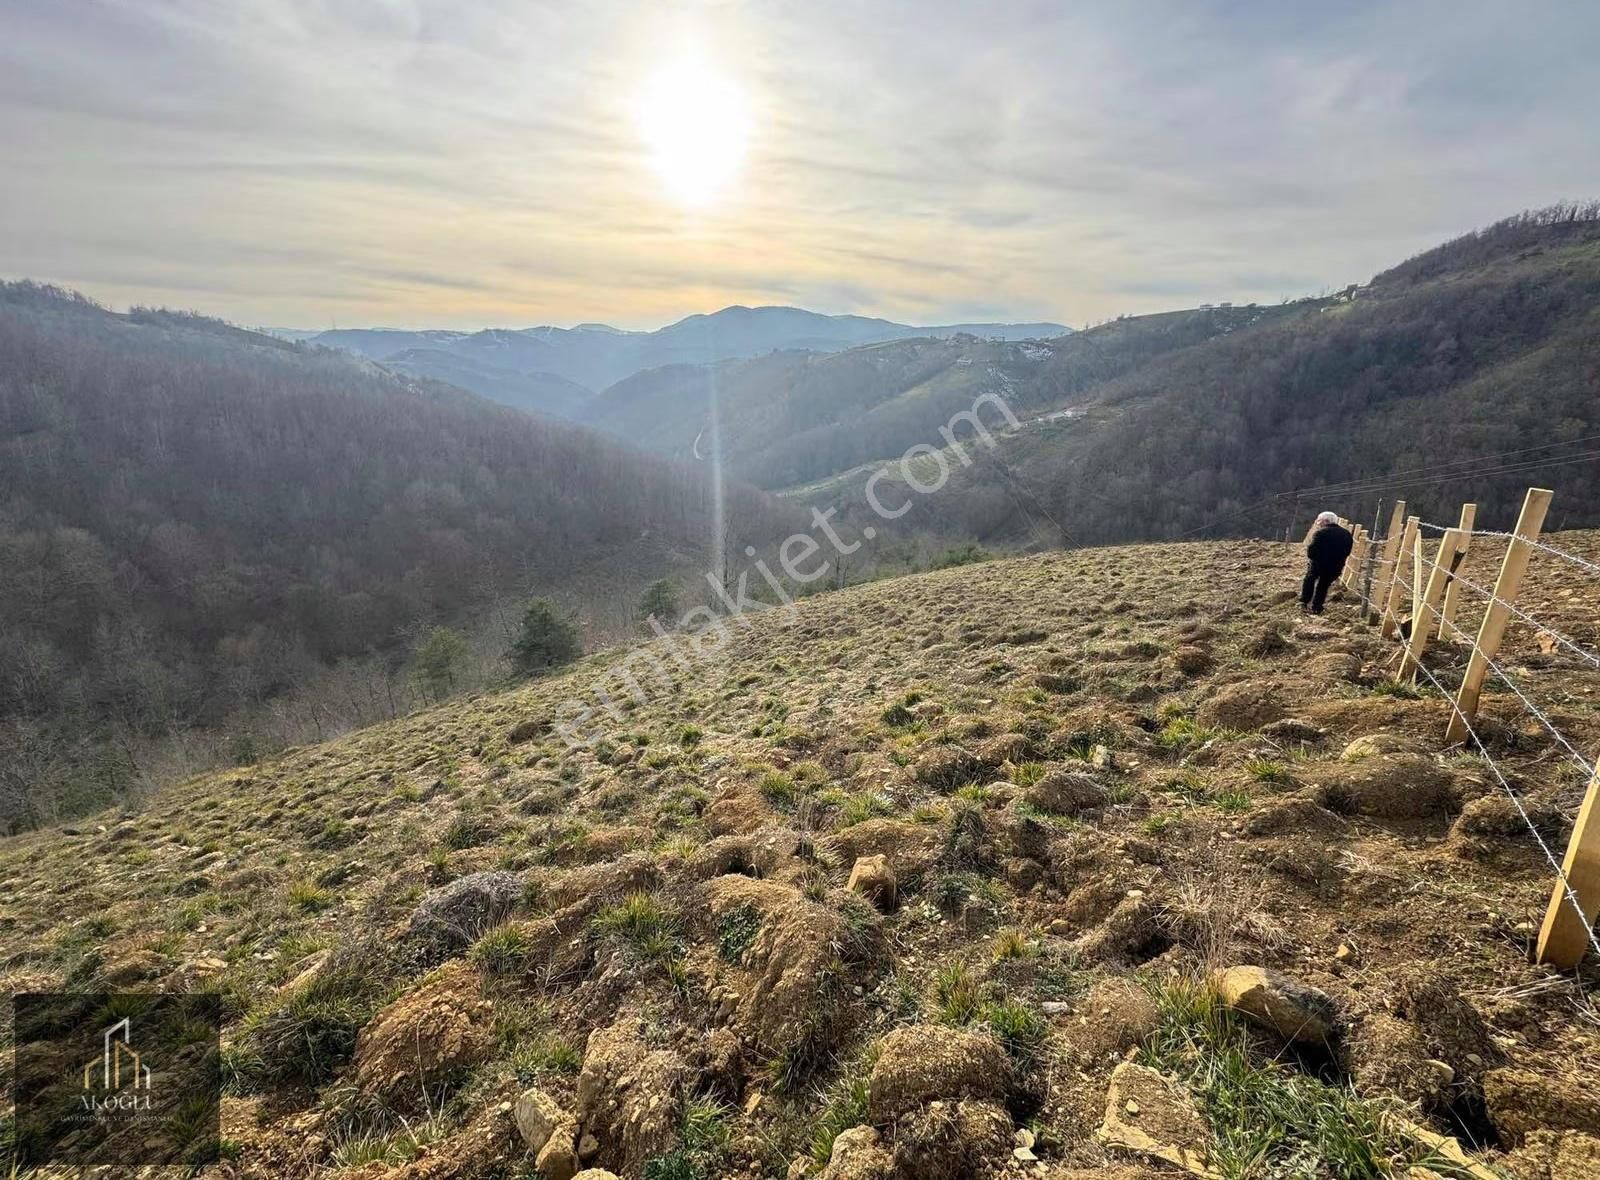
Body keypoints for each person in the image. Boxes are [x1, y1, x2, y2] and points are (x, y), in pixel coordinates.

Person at [1301, 511, 1353, 614]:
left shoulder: (1320, 533)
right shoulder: (1346, 534)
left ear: (1326, 521)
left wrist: (1313, 559)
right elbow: (1347, 551)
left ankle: (1304, 601)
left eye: (1319, 520)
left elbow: (1311, 551)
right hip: (1336, 565)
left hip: (1319, 564)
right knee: (1323, 586)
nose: (1317, 523)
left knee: (1310, 579)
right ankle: (1317, 606)